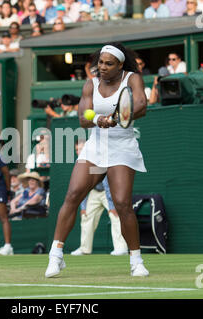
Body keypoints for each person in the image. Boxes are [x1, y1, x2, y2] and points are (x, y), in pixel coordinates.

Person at [45, 43, 149, 278]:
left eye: (108, 63)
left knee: (122, 204)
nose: (102, 67)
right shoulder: (90, 83)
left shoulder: (132, 79)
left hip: (122, 147)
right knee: (72, 196)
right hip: (95, 147)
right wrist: (99, 120)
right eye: (100, 62)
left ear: (120, 65)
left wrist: (118, 117)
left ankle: (136, 260)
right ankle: (56, 256)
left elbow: (142, 105)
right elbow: (83, 118)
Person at [71, 140, 128, 256]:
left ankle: (121, 248)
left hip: (111, 191)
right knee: (86, 216)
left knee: (115, 215)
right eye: (77, 150)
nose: (79, 152)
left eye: (81, 149)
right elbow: (82, 186)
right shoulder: (80, 163)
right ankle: (84, 249)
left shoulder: (100, 158)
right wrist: (83, 206)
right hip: (94, 192)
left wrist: (112, 205)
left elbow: (108, 183)